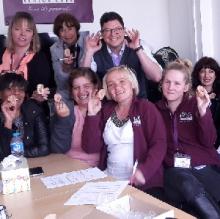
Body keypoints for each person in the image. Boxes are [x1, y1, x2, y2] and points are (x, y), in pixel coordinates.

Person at [82, 65, 167, 191]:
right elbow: (90, 147)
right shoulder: (105, 110)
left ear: (132, 84)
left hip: (141, 182)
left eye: (122, 81)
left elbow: (159, 144)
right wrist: (91, 114)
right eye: (111, 84)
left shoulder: (146, 108)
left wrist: (144, 171)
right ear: (107, 90)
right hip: (110, 179)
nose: (117, 87)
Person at [156, 60, 220, 219]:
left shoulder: (195, 104)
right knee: (186, 183)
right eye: (167, 82)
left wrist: (203, 112)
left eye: (177, 83)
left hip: (202, 165)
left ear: (186, 87)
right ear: (161, 84)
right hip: (175, 171)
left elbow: (209, 141)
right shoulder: (155, 110)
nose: (171, 87)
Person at [80, 11, 162, 99]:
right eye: (107, 30)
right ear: (102, 34)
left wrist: (138, 49)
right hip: (107, 106)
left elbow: (157, 77)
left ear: (124, 30)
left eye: (117, 29)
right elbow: (83, 81)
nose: (113, 34)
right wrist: (89, 52)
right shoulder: (95, 48)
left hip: (138, 104)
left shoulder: (139, 44)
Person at [50, 67, 100, 167]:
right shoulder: (67, 111)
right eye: (76, 88)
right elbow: (58, 149)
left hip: (97, 169)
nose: (81, 91)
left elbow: (92, 148)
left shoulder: (106, 111)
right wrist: (62, 119)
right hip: (68, 166)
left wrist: (92, 115)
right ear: (72, 93)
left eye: (87, 86)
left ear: (95, 88)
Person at [0, 11, 54, 99]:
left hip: (26, 108)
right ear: (11, 31)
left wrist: (38, 96)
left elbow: (40, 91)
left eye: (28, 30)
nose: (23, 33)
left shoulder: (40, 59)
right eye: (18, 29)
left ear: (33, 35)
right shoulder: (1, 52)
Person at [0, 73, 50, 161]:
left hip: (33, 163)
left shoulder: (33, 109)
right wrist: (8, 121)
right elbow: (2, 155)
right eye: (10, 89)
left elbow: (44, 148)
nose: (17, 92)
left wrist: (16, 154)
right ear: (0, 94)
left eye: (21, 89)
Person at [50, 13, 83, 100]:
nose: (67, 34)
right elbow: (60, 82)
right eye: (62, 30)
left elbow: (90, 73)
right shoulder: (54, 49)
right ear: (58, 33)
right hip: (66, 92)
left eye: (70, 29)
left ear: (76, 29)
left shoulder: (88, 43)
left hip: (87, 89)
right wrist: (66, 67)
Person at [192, 56, 220, 149]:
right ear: (197, 74)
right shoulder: (190, 96)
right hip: (196, 144)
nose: (206, 76)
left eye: (211, 71)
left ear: (216, 75)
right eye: (203, 71)